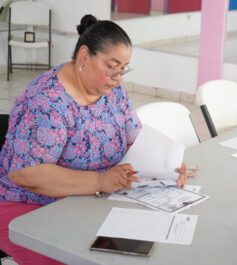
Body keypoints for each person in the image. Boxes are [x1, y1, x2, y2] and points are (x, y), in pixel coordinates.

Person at [0, 14, 187, 264]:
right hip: (26, 205)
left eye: (123, 68)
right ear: (85, 56)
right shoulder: (47, 101)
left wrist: (167, 166)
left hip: (87, 200)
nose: (118, 77)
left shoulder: (113, 92)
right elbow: (26, 174)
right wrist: (99, 181)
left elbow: (135, 139)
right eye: (112, 66)